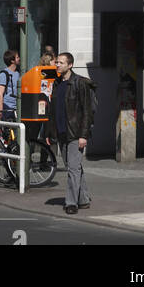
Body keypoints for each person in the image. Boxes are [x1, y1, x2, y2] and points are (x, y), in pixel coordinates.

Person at [46, 51, 96, 215]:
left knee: (73, 169)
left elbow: (87, 111)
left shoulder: (80, 83)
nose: (57, 65)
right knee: (74, 167)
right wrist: (50, 132)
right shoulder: (57, 83)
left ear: (70, 65)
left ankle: (71, 203)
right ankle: (84, 199)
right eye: (57, 62)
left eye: (60, 63)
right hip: (61, 133)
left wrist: (83, 135)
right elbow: (53, 110)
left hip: (75, 133)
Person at [0, 50, 21, 120]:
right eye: (17, 57)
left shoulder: (19, 73)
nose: (19, 58)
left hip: (18, 108)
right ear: (12, 61)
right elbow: (0, 94)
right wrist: (1, 111)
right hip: (7, 108)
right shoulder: (4, 74)